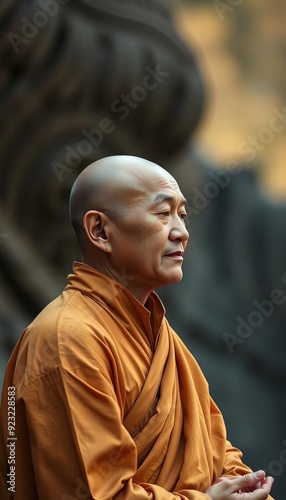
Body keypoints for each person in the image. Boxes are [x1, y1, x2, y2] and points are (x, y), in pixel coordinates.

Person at [0, 155, 274, 500]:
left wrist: (242, 483)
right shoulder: (67, 338)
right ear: (100, 230)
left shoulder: (160, 337)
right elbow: (96, 493)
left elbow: (214, 446)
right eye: (163, 214)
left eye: (183, 215)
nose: (182, 232)